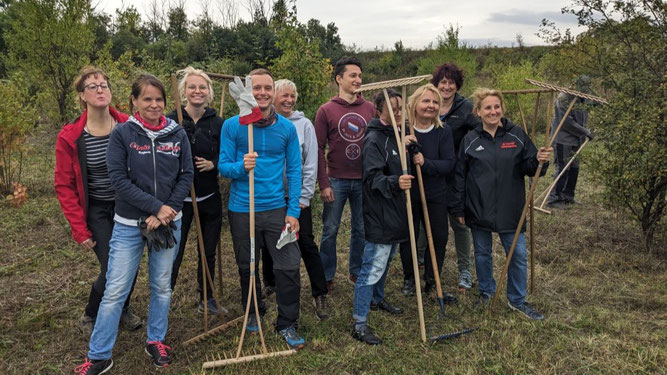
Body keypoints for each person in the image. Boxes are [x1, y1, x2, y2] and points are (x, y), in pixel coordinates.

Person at [75, 74, 194, 374]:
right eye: (147, 99)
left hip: (168, 224)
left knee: (161, 286)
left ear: (165, 102)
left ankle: (156, 340)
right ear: (134, 101)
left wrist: (167, 212)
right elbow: (118, 180)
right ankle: (100, 355)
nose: (154, 105)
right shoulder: (123, 133)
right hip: (129, 224)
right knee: (115, 288)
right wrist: (156, 207)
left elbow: (186, 175)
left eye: (159, 100)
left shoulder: (176, 134)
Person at [218, 69, 305, 349]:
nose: (263, 93)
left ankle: (287, 323)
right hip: (243, 209)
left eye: (268, 88)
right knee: (248, 266)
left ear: (275, 92)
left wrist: (293, 212)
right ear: (248, 91)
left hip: (277, 208)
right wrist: (241, 167)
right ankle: (253, 312)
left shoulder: (287, 128)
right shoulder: (233, 126)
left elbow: (294, 170)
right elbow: (223, 166)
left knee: (289, 266)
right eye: (257, 88)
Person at [55, 66, 141, 340]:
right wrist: (79, 229)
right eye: (93, 86)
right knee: (113, 267)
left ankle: (123, 307)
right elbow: (65, 186)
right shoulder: (71, 136)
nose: (100, 89)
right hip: (98, 210)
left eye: (104, 85)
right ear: (82, 95)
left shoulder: (129, 126)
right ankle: (91, 312)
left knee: (132, 262)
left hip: (127, 207)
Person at [453, 88, 551, 321]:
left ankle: (517, 299)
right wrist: (458, 208)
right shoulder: (470, 140)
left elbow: (530, 167)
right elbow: (459, 176)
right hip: (479, 207)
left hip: (511, 207)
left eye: (496, 107)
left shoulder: (516, 135)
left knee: (516, 254)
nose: (493, 111)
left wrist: (540, 161)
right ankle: (486, 292)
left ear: (502, 109)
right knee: (483, 254)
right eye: (487, 107)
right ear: (478, 111)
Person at [261, 78, 330, 320]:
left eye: (292, 96)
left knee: (306, 243)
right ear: (273, 98)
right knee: (268, 243)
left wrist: (303, 198)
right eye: (284, 96)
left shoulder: (304, 125)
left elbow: (311, 163)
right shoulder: (263, 123)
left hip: (296, 197)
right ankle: (269, 282)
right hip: (270, 196)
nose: (289, 100)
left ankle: (320, 293)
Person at [352, 89, 413, 345]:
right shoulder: (374, 139)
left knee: (388, 258)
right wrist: (395, 181)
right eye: (393, 108)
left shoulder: (398, 135)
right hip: (380, 213)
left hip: (396, 212)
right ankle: (359, 322)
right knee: (373, 266)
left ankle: (377, 299)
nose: (399, 113)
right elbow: (372, 178)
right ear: (379, 112)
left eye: (401, 108)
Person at [167, 66, 227, 315]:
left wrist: (214, 163)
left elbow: (227, 155)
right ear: (184, 91)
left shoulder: (218, 122)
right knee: (174, 251)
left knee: (208, 250)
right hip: (180, 200)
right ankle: (164, 295)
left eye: (202, 87)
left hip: (209, 196)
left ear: (209, 92)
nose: (197, 91)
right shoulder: (172, 120)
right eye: (192, 86)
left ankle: (207, 297)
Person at [315, 56, 375, 291]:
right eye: (353, 75)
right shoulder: (326, 110)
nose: (358, 80)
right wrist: (323, 183)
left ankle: (356, 271)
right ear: (339, 79)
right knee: (330, 230)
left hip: (363, 180)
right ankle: (327, 275)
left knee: (361, 229)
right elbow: (318, 148)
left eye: (360, 76)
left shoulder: (370, 108)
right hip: (336, 180)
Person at [398, 84, 456, 302]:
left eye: (435, 102)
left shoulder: (443, 131)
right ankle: (410, 278)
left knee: (439, 236)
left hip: (435, 193)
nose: (430, 106)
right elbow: (392, 161)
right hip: (408, 192)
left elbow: (449, 164)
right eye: (426, 101)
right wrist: (403, 148)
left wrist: (426, 162)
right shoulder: (403, 130)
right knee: (409, 235)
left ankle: (432, 281)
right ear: (414, 104)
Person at [432, 63, 478, 292]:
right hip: (431, 173)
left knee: (460, 223)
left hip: (457, 176)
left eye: (451, 82)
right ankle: (424, 265)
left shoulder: (466, 108)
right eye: (443, 82)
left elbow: (481, 130)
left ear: (457, 85)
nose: (447, 86)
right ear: (436, 84)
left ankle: (464, 271)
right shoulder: (429, 104)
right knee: (428, 223)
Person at [546, 75, 594, 208]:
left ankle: (567, 196)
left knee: (574, 168)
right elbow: (566, 122)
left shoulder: (584, 97)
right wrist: (585, 132)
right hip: (563, 138)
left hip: (577, 139)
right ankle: (553, 199)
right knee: (563, 168)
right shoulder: (564, 98)